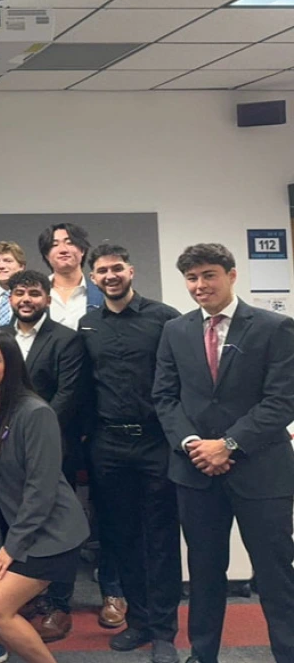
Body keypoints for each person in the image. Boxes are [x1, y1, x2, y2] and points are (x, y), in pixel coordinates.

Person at [153, 243, 294, 663]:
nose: (200, 285)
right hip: (195, 471)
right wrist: (194, 445)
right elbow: (164, 397)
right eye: (192, 278)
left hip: (261, 471)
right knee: (204, 573)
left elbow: (282, 400)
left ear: (231, 275)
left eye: (208, 275)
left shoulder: (275, 327)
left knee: (275, 574)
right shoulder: (175, 330)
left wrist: (228, 444)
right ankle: (203, 654)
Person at [0, 331, 89, 663]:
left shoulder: (35, 412)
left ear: (11, 365)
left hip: (49, 531)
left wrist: (11, 547)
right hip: (3, 527)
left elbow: (41, 491)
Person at [80, 244, 181, 663]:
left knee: (159, 537)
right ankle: (138, 621)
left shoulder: (166, 318)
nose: (110, 276)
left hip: (157, 442)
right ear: (94, 278)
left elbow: (182, 380)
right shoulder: (88, 325)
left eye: (116, 268)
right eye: (101, 270)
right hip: (109, 445)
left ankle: (164, 632)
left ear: (131, 270)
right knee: (121, 538)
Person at [0, 269, 91, 642]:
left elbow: (68, 395)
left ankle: (58, 603)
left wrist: (33, 433)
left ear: (47, 299)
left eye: (34, 293)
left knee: (54, 526)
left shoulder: (66, 341)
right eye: (19, 293)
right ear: (10, 299)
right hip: (2, 452)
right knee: (15, 519)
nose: (26, 299)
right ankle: (26, 595)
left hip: (51, 447)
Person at [37, 223, 103, 329]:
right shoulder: (37, 294)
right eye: (54, 245)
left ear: (82, 250)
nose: (63, 250)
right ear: (46, 255)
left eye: (70, 243)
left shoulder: (101, 294)